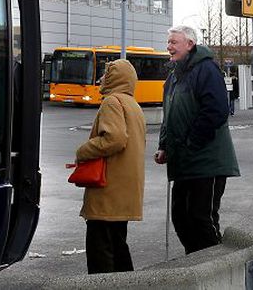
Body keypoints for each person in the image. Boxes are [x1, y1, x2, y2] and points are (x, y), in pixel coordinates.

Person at [154, 25, 240, 255]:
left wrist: (191, 143)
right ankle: (196, 264)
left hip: (206, 160)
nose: (169, 46)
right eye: (169, 42)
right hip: (183, 160)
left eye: (174, 42)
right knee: (181, 218)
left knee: (201, 218)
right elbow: (169, 114)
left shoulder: (206, 69)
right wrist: (164, 145)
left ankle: (217, 268)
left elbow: (216, 111)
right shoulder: (174, 75)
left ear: (190, 44)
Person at [75, 59, 146, 274]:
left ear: (115, 78)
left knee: (100, 251)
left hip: (108, 188)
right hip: (125, 190)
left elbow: (114, 139)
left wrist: (83, 150)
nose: (102, 78)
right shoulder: (133, 105)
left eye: (107, 74)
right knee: (118, 245)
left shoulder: (112, 102)